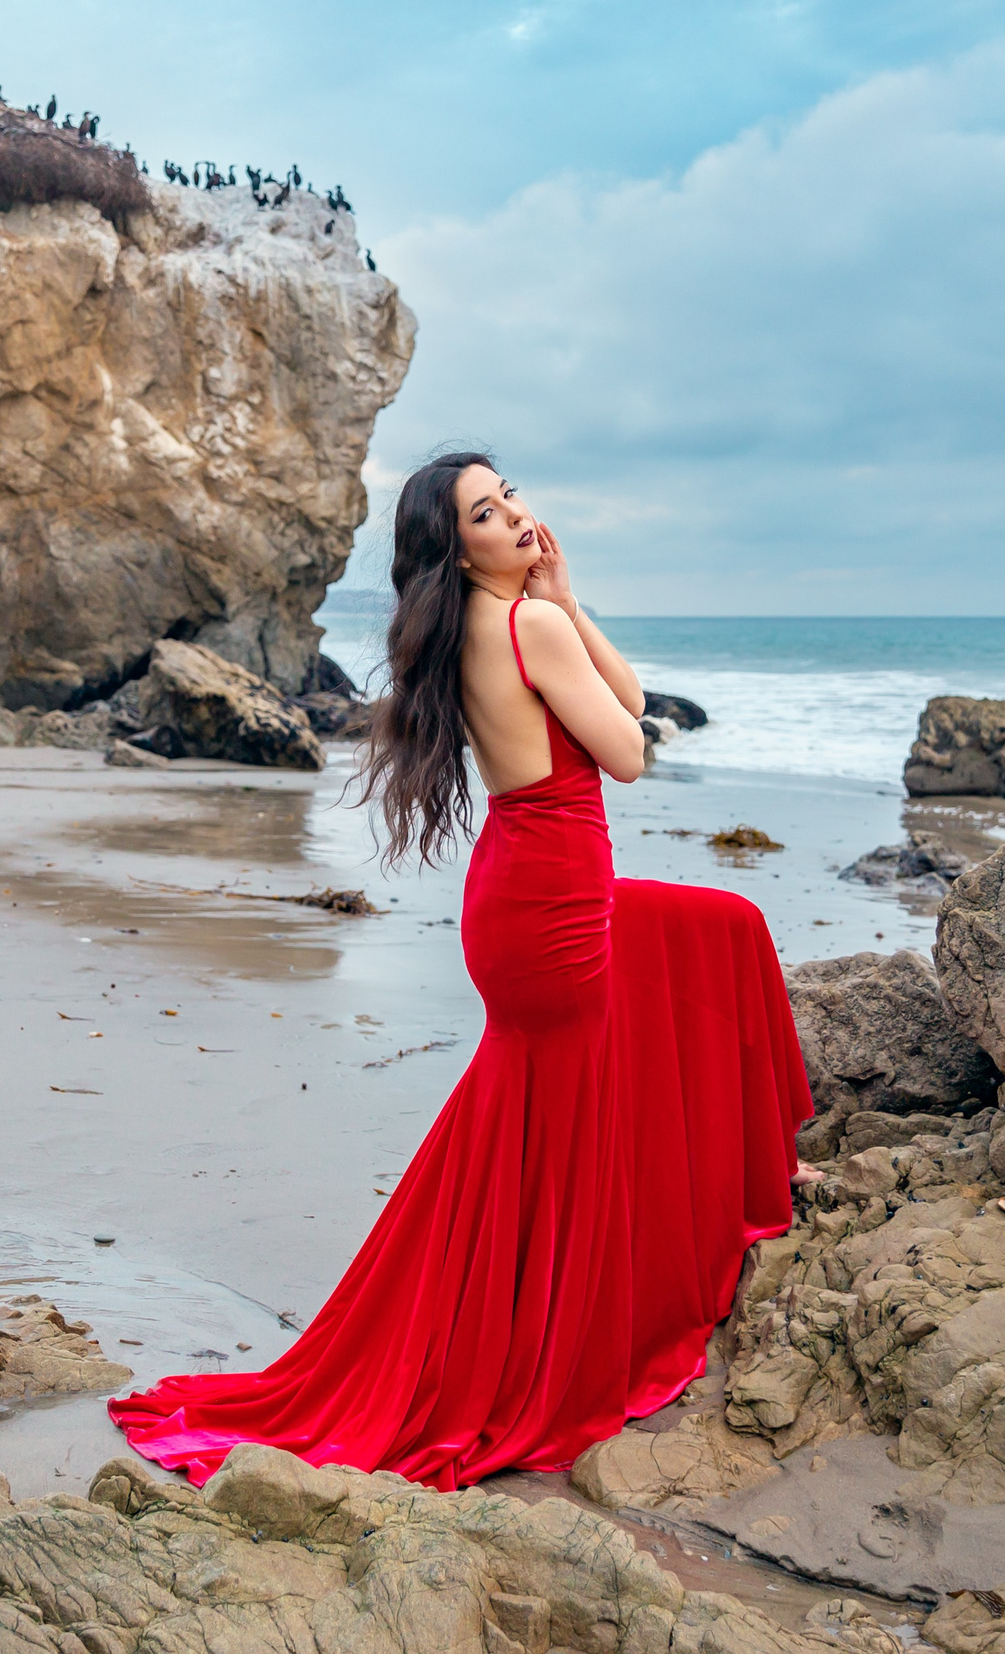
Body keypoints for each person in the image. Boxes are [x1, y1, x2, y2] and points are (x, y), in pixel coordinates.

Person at [107, 450, 814, 1489]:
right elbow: (628, 750)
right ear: (458, 548)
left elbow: (617, 713)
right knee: (563, 1127)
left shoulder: (497, 623)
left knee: (717, 931)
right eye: (487, 513)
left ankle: (670, 1225)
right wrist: (563, 611)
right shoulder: (525, 625)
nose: (517, 517)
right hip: (554, 911)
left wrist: (568, 598)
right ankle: (566, 1335)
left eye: (511, 494)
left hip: (529, 897)